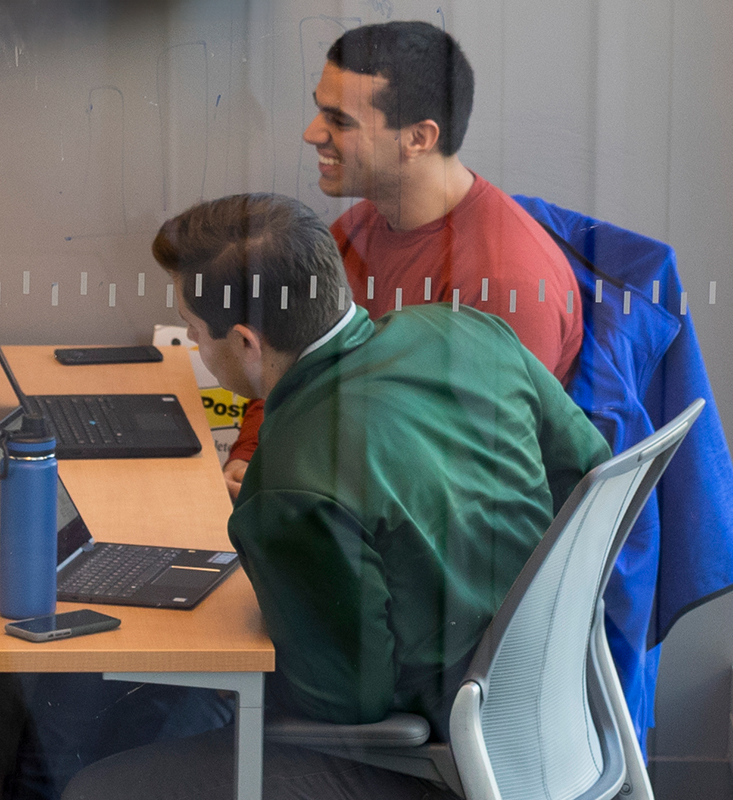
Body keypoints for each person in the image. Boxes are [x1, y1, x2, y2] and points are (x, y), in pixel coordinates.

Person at [63, 193, 609, 799]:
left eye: (194, 332)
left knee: (100, 785)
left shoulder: (291, 483)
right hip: (558, 716)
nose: (194, 345)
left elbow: (347, 702)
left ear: (246, 341)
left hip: (436, 760)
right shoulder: (466, 332)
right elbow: (588, 470)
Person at [222, 21, 583, 498]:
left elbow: (471, 483)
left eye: (340, 121)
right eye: (319, 112)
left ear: (418, 138)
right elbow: (287, 363)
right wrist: (250, 454)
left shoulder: (500, 282)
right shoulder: (354, 232)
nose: (313, 134)